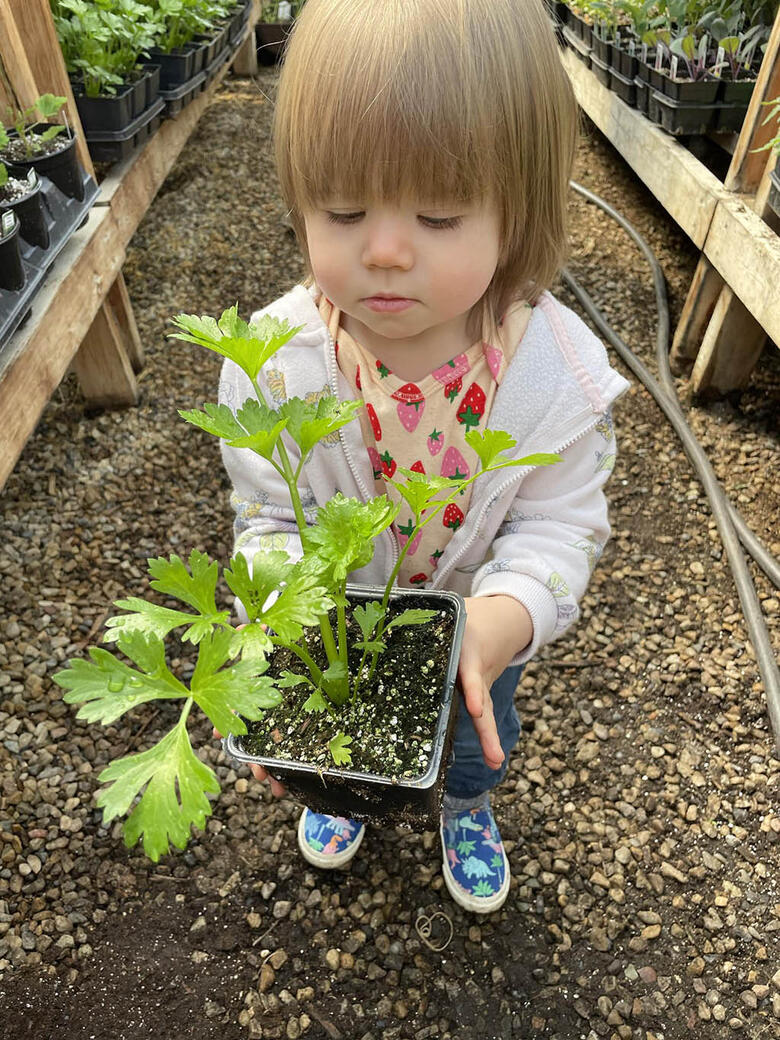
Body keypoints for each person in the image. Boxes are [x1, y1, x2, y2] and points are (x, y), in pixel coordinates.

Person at [218, 0, 629, 913]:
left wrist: (505, 618)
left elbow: (561, 527)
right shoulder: (277, 364)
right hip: (342, 628)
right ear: (298, 204)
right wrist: (279, 599)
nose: (388, 250)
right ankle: (350, 793)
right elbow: (268, 514)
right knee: (343, 727)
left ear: (517, 214)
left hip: (472, 630)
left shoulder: (551, 379)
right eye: (345, 209)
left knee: (481, 730)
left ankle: (466, 808)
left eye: (439, 215)